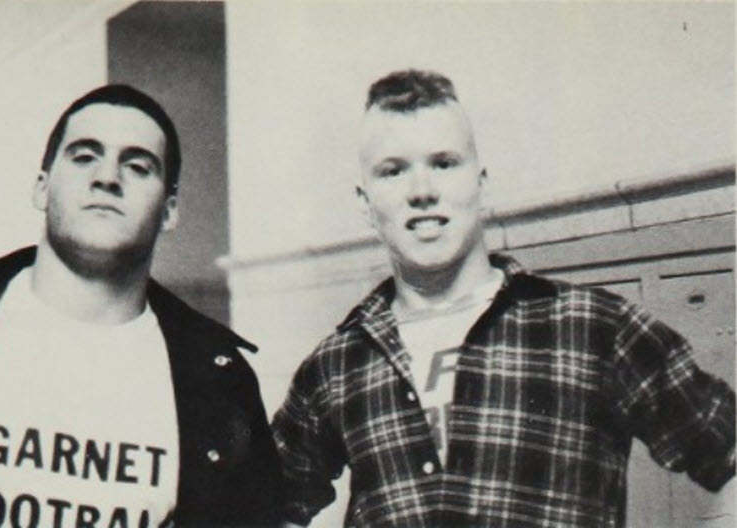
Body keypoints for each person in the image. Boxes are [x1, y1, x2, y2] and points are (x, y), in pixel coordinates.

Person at [271, 69, 735, 527]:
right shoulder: (336, 364)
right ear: (364, 203)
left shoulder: (593, 327)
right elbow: (268, 503)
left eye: (444, 163)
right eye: (393, 171)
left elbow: (724, 442)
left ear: (481, 181)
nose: (422, 191)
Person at [0, 84, 282, 527]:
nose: (107, 178)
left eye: (138, 166)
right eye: (84, 156)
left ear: (169, 211)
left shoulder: (219, 381)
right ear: (42, 188)